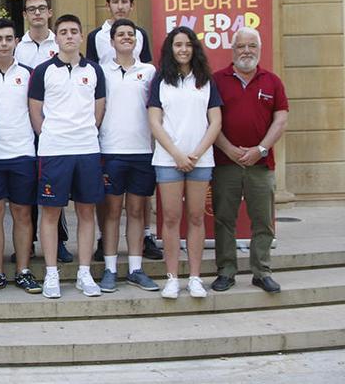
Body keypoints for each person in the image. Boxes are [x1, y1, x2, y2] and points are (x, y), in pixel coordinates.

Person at [27, 14, 106, 299]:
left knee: (86, 212)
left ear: (81, 36)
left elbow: (99, 108)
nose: (69, 36)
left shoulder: (95, 70)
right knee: (51, 213)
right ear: (56, 37)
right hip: (54, 151)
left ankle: (84, 273)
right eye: (63, 32)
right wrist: (50, 135)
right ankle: (51, 274)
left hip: (86, 149)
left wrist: (85, 133)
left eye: (74, 31)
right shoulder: (43, 70)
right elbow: (35, 111)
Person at [86, 0, 162, 263]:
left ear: (131, 4)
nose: (120, 6)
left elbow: (149, 81)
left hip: (138, 129)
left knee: (139, 198)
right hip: (109, 127)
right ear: (108, 5)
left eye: (124, 1)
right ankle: (103, 240)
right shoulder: (96, 36)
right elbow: (92, 78)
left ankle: (145, 236)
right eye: (115, 1)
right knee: (108, 198)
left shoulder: (140, 35)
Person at [211, 27, 288, 294]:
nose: (246, 51)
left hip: (260, 165)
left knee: (263, 221)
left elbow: (281, 119)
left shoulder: (272, 81)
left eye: (252, 46)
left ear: (260, 49)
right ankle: (226, 271)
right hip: (225, 163)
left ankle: (262, 271)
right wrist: (229, 148)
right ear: (232, 50)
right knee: (224, 219)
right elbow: (210, 120)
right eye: (241, 46)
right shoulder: (217, 80)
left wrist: (261, 149)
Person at [148, 26, 222, 299]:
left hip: (201, 161)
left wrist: (197, 152)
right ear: (170, 48)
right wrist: (177, 154)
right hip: (168, 160)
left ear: (194, 48)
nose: (183, 49)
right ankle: (171, 278)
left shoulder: (205, 79)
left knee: (195, 217)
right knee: (170, 218)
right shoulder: (161, 80)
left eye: (188, 44)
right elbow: (154, 121)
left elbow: (215, 121)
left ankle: (194, 277)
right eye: (178, 44)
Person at [0, 19, 41, 296]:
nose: (4, 43)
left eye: (8, 38)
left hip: (23, 154)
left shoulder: (29, 74)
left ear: (16, 42)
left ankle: (24, 271)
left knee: (22, 213)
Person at [96, 19, 159, 293]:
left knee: (136, 211)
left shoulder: (150, 71)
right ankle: (110, 268)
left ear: (137, 41)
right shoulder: (101, 71)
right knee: (111, 212)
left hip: (142, 151)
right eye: (120, 34)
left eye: (130, 35)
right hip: (110, 150)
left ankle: (135, 267)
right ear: (111, 41)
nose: (125, 38)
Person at [13, 0, 72, 264]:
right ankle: (28, 242)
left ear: (50, 12)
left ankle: (58, 241)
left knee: (55, 187)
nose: (37, 13)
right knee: (28, 188)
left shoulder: (60, 43)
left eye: (42, 8)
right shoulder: (17, 46)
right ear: (25, 15)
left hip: (57, 127)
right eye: (32, 9)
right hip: (24, 128)